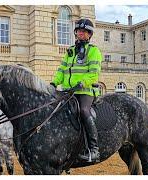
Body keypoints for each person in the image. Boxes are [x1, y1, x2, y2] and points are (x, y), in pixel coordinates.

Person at [50, 18, 102, 162]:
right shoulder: (70, 51)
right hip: (68, 91)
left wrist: (82, 83)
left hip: (85, 91)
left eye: (84, 31)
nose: (81, 33)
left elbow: (93, 74)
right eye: (79, 31)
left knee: (83, 111)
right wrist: (54, 82)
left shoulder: (93, 51)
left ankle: (94, 149)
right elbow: (61, 70)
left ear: (89, 34)